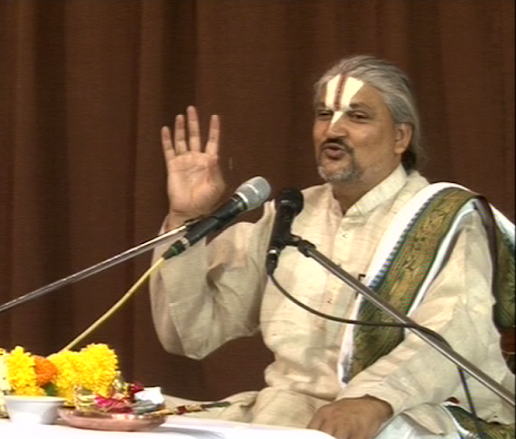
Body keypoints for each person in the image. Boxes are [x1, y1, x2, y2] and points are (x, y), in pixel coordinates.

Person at [149, 55, 515, 439]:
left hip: (410, 413)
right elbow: (190, 333)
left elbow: (455, 330)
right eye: (324, 115)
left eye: (357, 117)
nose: (333, 130)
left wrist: (375, 401)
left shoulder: (446, 218)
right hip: (289, 416)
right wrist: (185, 219)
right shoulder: (290, 215)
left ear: (400, 137)